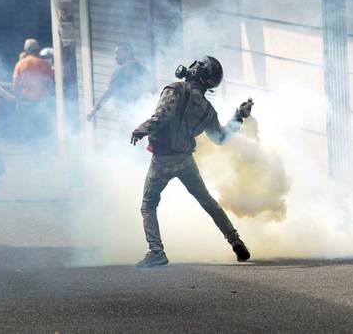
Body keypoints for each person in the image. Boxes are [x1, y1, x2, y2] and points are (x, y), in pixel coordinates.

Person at [130, 56, 254, 269]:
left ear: (198, 72)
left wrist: (141, 129)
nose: (193, 67)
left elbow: (161, 117)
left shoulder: (175, 90)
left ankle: (156, 252)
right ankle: (235, 240)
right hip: (185, 160)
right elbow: (220, 138)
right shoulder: (207, 109)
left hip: (162, 160)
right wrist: (238, 116)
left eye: (197, 66)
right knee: (207, 201)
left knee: (148, 205)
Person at [86, 43, 153, 122]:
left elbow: (109, 93)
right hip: (144, 116)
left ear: (128, 52)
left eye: (118, 53)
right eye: (115, 54)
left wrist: (93, 111)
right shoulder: (144, 70)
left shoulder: (122, 70)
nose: (115, 56)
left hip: (129, 117)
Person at [12, 38, 54, 150]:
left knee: (30, 128)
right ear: (37, 50)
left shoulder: (20, 64)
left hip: (26, 102)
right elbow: (51, 82)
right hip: (42, 101)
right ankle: (44, 150)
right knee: (42, 127)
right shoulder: (45, 64)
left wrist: (18, 101)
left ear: (26, 50)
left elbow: (15, 86)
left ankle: (35, 152)